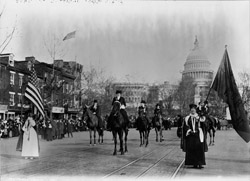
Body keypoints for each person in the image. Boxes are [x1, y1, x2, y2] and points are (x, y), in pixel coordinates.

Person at [182, 103, 207, 169]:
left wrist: (202, 114)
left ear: (196, 110)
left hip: (198, 134)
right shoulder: (187, 118)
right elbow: (185, 126)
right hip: (191, 135)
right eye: (191, 109)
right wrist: (189, 130)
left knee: (199, 149)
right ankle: (193, 163)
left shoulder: (199, 117)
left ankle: (200, 163)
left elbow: (203, 122)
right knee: (191, 149)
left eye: (194, 109)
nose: (193, 110)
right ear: (190, 110)